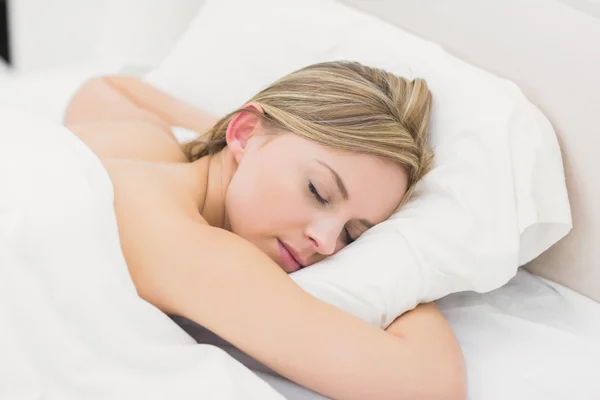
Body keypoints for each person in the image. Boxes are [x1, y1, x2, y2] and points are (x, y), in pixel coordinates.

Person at [64, 61, 466, 400]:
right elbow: (430, 387)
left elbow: (112, 88)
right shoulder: (197, 254)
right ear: (243, 132)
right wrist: (407, 268)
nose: (326, 242)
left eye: (353, 236)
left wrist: (254, 140)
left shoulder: (144, 147)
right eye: (318, 192)